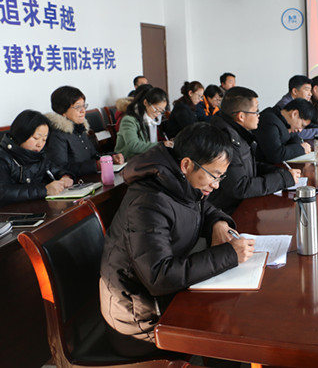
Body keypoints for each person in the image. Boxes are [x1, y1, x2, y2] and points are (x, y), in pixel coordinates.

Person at [100, 122, 255, 357]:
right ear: (186, 165)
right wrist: (229, 254)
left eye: (221, 177)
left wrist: (219, 223)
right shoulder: (148, 202)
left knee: (234, 311)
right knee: (231, 325)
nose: (216, 185)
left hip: (162, 299)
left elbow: (202, 207)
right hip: (140, 321)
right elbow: (159, 277)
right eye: (214, 175)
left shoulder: (180, 181)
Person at [209, 86, 300, 214]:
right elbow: (240, 187)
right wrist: (282, 179)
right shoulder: (226, 140)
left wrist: (280, 172)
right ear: (241, 116)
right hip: (229, 212)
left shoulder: (238, 133)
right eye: (256, 111)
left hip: (243, 204)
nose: (259, 115)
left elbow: (248, 167)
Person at [0, 110, 74, 206]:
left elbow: (54, 169)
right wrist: (44, 190)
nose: (40, 144)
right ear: (21, 134)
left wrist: (65, 176)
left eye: (44, 139)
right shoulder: (3, 157)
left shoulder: (39, 155)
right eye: (36, 138)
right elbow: (3, 193)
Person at [46, 86, 124, 176]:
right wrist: (95, 166)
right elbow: (60, 168)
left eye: (84, 106)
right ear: (62, 110)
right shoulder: (57, 135)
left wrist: (111, 158)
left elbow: (93, 156)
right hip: (76, 181)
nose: (83, 111)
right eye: (78, 107)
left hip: (90, 177)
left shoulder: (79, 128)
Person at [115, 87, 174, 160]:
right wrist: (161, 145)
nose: (158, 114)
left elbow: (152, 144)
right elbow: (133, 145)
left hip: (145, 158)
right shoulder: (129, 120)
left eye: (161, 111)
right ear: (145, 102)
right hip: (128, 160)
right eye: (156, 109)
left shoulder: (151, 121)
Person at [255, 98, 316, 164]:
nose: (300, 129)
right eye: (302, 125)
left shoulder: (286, 122)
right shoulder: (269, 121)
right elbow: (276, 155)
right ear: (294, 114)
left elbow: (295, 139)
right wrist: (301, 148)